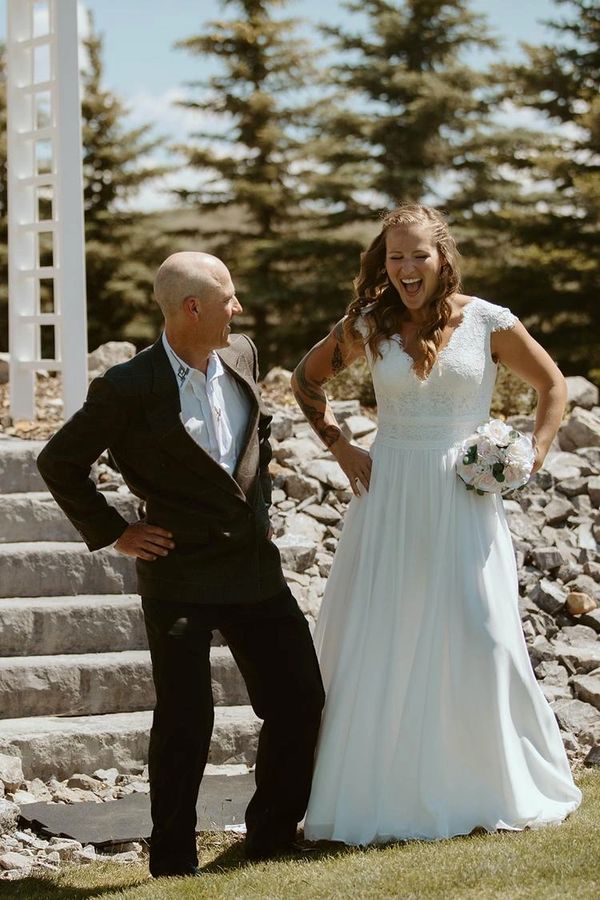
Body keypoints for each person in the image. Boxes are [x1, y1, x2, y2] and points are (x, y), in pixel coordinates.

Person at [292, 204, 581, 845]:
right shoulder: (368, 324)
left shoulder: (488, 322)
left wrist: (530, 454)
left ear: (442, 256)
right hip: (389, 491)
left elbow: (554, 387)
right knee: (383, 637)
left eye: (417, 254)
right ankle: (377, 790)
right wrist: (339, 445)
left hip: (464, 495)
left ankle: (484, 782)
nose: (404, 268)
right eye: (394, 256)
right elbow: (305, 381)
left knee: (482, 631)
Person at [37, 252, 325, 876]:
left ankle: (272, 837)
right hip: (180, 576)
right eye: (228, 297)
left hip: (253, 569)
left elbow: (253, 446)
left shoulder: (242, 354)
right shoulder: (128, 387)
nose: (238, 308)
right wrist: (117, 532)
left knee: (300, 699)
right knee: (186, 721)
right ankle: (171, 860)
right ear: (192, 307)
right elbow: (60, 462)